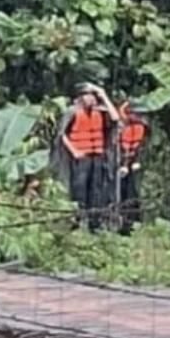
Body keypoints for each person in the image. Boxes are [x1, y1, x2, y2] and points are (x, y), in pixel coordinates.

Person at [56, 82, 118, 230]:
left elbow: (115, 118)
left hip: (97, 156)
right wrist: (74, 151)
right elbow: (61, 134)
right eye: (89, 95)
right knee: (79, 189)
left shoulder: (101, 112)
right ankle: (76, 222)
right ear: (81, 97)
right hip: (81, 157)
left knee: (97, 190)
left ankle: (94, 224)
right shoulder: (72, 111)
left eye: (94, 96)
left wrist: (103, 94)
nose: (92, 99)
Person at [117, 99, 150, 235]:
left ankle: (131, 223)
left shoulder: (141, 128)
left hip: (134, 165)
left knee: (132, 193)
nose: (137, 116)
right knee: (121, 194)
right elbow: (120, 147)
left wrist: (134, 162)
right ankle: (120, 221)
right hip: (120, 165)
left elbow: (140, 148)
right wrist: (122, 165)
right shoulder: (122, 127)